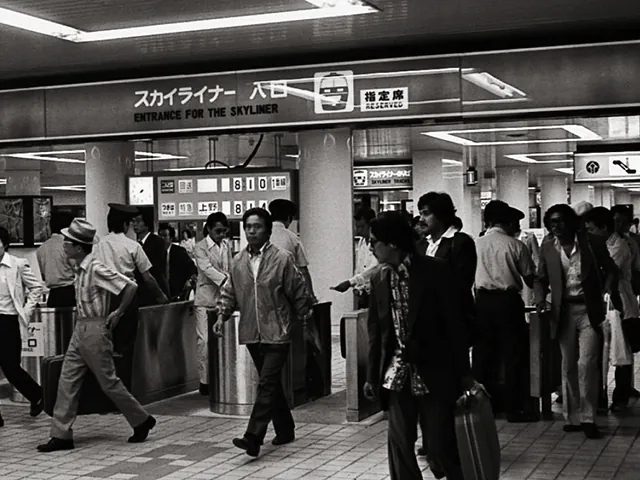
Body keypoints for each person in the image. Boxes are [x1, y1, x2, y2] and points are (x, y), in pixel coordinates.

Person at [363, 211, 473, 480]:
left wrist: (464, 375)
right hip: (396, 372)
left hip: (434, 369)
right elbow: (377, 332)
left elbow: (454, 325)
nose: (370, 248)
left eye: (374, 242)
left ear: (392, 243)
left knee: (439, 445)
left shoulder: (435, 271)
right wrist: (371, 376)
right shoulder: (378, 279)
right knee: (400, 442)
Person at [37, 219, 156, 452]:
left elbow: (130, 286)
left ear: (78, 247)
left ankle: (141, 419)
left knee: (109, 382)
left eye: (67, 242)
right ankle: (61, 435)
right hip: (81, 328)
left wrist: (118, 313)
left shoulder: (95, 268)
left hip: (95, 330)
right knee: (67, 381)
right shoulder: (79, 269)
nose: (64, 245)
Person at [213, 208, 313, 458]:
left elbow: (297, 289)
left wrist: (305, 316)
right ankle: (285, 429)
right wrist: (222, 315)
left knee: (267, 383)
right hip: (251, 330)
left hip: (278, 330)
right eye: (248, 227)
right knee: (271, 384)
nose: (251, 231)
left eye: (256, 226)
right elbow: (229, 292)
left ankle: (253, 436)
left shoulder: (282, 259)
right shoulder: (238, 261)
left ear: (268, 230)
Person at [535, 204, 620, 439]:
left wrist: (607, 291)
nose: (556, 226)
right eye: (552, 222)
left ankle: (588, 417)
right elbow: (541, 278)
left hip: (589, 310)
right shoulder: (548, 247)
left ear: (572, 222)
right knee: (568, 364)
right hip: (563, 311)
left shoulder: (591, 243)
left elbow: (612, 270)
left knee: (587, 363)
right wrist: (540, 299)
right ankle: (572, 417)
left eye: (561, 221)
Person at [473, 200, 535, 422]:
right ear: (507, 222)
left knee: (483, 355)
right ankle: (513, 408)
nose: (517, 227)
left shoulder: (475, 244)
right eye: (515, 222)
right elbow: (530, 278)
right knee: (513, 355)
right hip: (508, 304)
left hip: (482, 303)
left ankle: (483, 406)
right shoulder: (516, 246)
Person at [93, 204, 169, 364]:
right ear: (125, 224)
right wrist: (161, 296)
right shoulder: (133, 246)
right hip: (127, 298)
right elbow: (148, 277)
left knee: (106, 344)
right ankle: (125, 376)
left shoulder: (97, 246)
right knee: (127, 345)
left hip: (103, 298)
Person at [584, 206, 637, 412]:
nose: (589, 233)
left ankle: (620, 398)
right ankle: (599, 397)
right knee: (602, 352)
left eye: (591, 229)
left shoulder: (619, 246)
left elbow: (605, 272)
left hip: (620, 303)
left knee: (621, 352)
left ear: (603, 228)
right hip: (606, 303)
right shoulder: (600, 245)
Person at [0, 226, 45, 427]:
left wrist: (26, 311)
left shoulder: (17, 264)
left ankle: (37, 395)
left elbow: (36, 288)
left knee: (11, 367)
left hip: (9, 320)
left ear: (4, 245)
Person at [193, 212, 233, 396]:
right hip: (205, 299)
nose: (221, 235)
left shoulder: (226, 245)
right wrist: (227, 280)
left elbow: (230, 267)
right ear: (208, 229)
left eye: (224, 231)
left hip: (223, 299)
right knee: (204, 341)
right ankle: (205, 381)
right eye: (218, 231)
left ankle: (223, 378)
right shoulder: (200, 247)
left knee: (224, 340)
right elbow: (206, 269)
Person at [268, 199, 317, 302]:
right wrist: (311, 295)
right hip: (287, 292)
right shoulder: (292, 238)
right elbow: (303, 270)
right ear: (289, 218)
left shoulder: (262, 236)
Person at [331, 208, 378, 308]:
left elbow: (374, 268)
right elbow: (359, 268)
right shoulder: (361, 242)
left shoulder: (377, 244)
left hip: (376, 293)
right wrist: (357, 288)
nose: (358, 231)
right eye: (357, 227)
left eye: (362, 227)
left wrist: (350, 282)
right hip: (364, 294)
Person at [37, 211, 76, 308]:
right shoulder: (68, 246)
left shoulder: (41, 248)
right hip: (70, 293)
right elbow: (78, 270)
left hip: (53, 296)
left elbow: (43, 276)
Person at [132, 208, 170, 304]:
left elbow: (155, 269)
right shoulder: (135, 243)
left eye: (138, 221)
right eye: (133, 221)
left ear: (147, 224)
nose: (135, 224)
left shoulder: (157, 242)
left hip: (155, 292)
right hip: (140, 293)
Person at [158, 223, 197, 300]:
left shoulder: (179, 251)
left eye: (165, 236)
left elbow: (192, 268)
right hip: (161, 291)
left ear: (171, 238)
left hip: (178, 291)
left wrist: (189, 280)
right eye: (160, 236)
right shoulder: (156, 253)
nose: (162, 238)